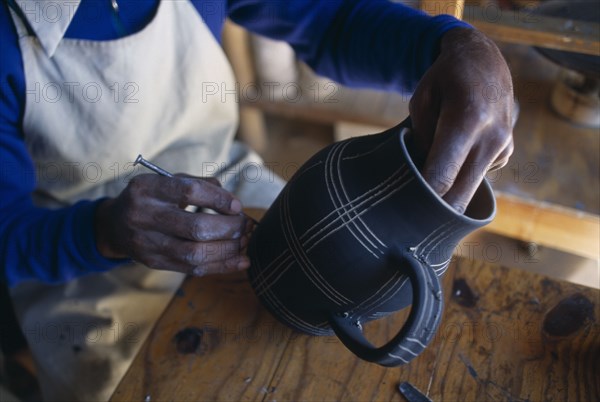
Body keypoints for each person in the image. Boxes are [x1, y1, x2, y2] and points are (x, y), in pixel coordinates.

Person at [0, 0, 514, 400]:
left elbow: (333, 20)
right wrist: (103, 231)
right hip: (76, 257)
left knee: (328, 368)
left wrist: (452, 45)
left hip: (222, 181)